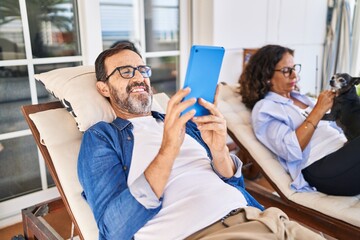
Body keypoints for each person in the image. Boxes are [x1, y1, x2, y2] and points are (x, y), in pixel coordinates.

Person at [77, 42, 326, 240]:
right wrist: (169, 148)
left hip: (265, 219)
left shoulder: (181, 120)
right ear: (104, 89)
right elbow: (113, 229)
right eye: (125, 72)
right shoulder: (101, 137)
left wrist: (219, 150)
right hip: (206, 232)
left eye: (143, 70)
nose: (139, 78)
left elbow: (233, 182)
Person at [239, 44, 360, 196]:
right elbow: (290, 150)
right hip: (322, 168)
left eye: (294, 68)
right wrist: (318, 110)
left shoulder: (302, 98)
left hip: (345, 152)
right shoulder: (265, 109)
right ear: (267, 76)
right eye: (286, 71)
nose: (294, 75)